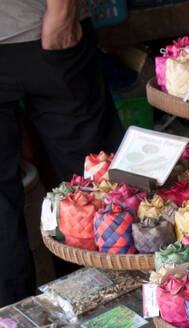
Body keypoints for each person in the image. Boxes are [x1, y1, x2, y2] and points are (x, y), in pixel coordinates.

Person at [0, 0, 124, 303]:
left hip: (40, 32)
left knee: (94, 182)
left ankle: (112, 308)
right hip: (42, 30)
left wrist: (62, 13)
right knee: (93, 181)